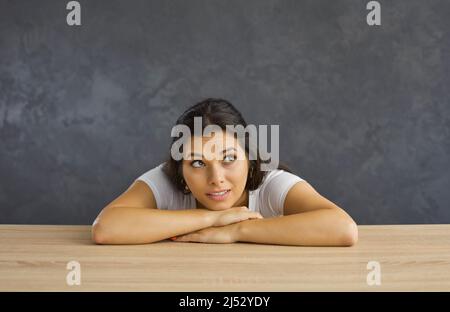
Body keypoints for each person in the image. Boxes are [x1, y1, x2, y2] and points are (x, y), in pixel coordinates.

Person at [92, 98, 358, 246]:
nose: (216, 178)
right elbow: (106, 228)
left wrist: (236, 231)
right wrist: (211, 219)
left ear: (250, 159)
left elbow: (343, 228)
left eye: (229, 158)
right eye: (197, 163)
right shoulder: (165, 178)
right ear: (181, 168)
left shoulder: (271, 183)